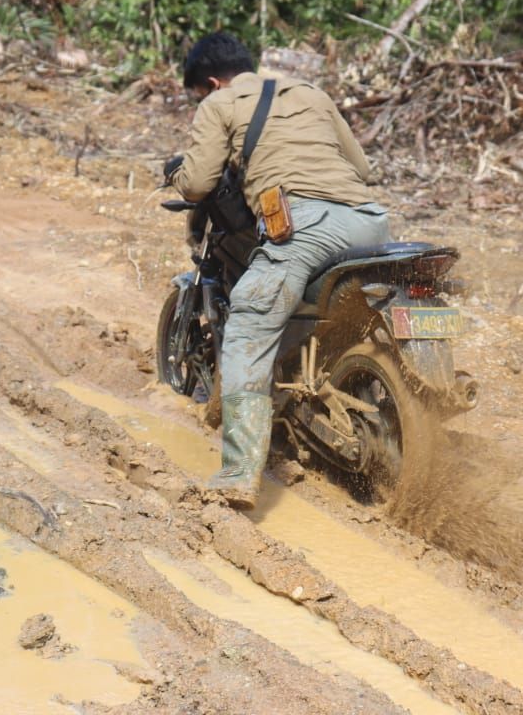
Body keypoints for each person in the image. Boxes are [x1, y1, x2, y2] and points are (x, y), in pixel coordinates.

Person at [165, 32, 389, 509]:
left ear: (210, 82)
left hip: (305, 226)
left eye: (199, 94)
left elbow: (200, 181)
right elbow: (363, 169)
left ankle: (239, 474)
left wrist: (176, 174)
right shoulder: (311, 93)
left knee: (248, 320)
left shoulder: (220, 104)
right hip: (369, 224)